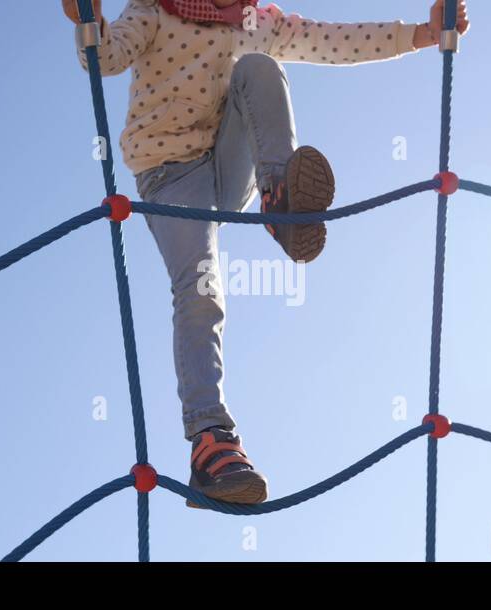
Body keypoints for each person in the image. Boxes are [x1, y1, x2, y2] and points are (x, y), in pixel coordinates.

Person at [62, 0, 470, 506]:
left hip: (228, 170)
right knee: (200, 288)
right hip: (169, 173)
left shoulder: (255, 21)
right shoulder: (154, 11)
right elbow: (106, 56)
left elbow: (330, 41)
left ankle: (281, 200)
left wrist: (421, 35)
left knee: (260, 67)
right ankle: (210, 441)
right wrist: (89, 23)